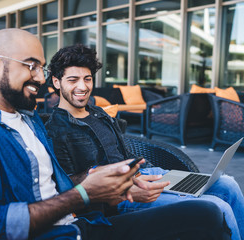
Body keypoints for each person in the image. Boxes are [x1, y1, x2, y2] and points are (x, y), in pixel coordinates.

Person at [0, 29, 230, 240]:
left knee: (208, 214)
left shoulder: (29, 119)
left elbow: (57, 181)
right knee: (211, 212)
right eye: (31, 66)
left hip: (88, 222)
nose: (39, 77)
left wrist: (107, 179)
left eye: (40, 67)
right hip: (67, 231)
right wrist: (85, 193)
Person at [45, 44, 244, 240]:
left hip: (147, 174)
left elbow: (122, 151)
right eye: (73, 80)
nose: (82, 86)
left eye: (87, 79)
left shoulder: (98, 113)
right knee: (219, 206)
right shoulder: (56, 129)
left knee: (228, 184)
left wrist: (152, 173)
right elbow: (68, 185)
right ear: (56, 82)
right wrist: (125, 187)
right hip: (122, 196)